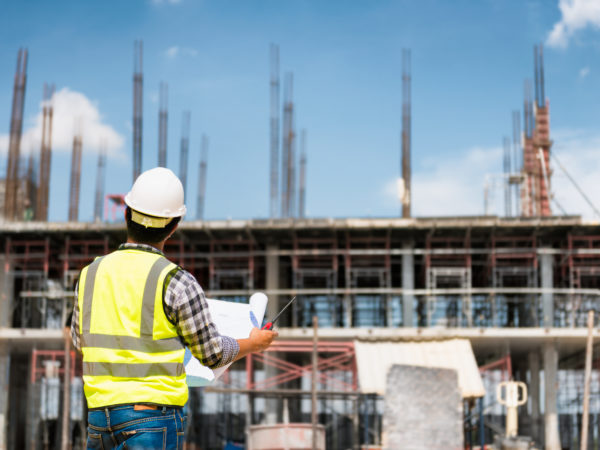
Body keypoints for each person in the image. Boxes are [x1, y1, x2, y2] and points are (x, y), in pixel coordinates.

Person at [70, 167, 277, 449]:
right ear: (175, 224)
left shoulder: (90, 274)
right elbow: (212, 354)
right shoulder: (176, 281)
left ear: (126, 213)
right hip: (153, 420)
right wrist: (253, 343)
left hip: (99, 418)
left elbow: (79, 341)